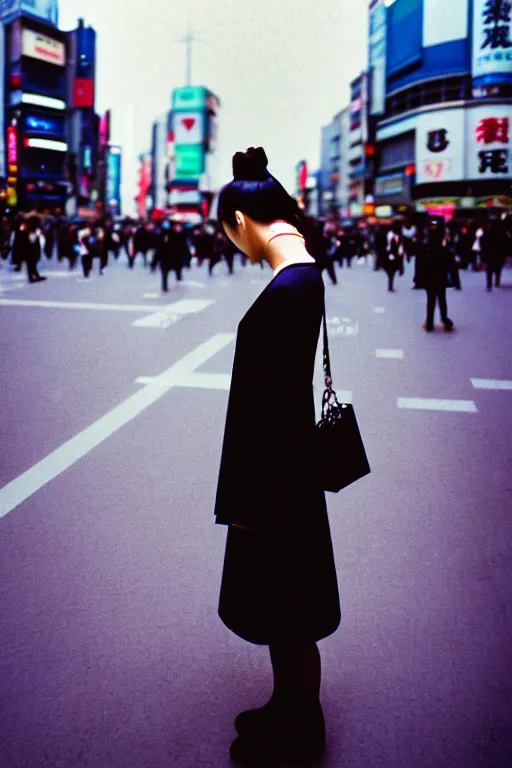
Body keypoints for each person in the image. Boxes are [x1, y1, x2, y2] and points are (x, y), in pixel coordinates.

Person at [214, 146, 340, 765]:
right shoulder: (303, 272)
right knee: (288, 600)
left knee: (284, 603)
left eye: (229, 234)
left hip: (274, 480)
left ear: (241, 221)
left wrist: (244, 501)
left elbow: (262, 411)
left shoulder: (288, 286)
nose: (236, 248)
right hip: (289, 474)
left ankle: (298, 727)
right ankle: (289, 707)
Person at [422, 222, 455, 332]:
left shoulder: (427, 248)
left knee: (431, 300)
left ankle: (429, 322)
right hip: (441, 276)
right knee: (442, 299)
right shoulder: (443, 249)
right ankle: (445, 320)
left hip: (430, 277)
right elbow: (450, 263)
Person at [480, 219, 509, 292]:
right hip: (499, 253)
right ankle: (497, 281)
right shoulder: (502, 232)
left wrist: (483, 251)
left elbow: (482, 241)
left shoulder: (488, 231)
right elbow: (507, 242)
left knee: (489, 269)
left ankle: (489, 285)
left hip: (489, 253)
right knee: (498, 268)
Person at [26, 216, 47, 283]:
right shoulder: (33, 230)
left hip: (32, 250)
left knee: (32, 264)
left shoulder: (32, 229)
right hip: (32, 251)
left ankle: (34, 275)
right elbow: (32, 240)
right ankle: (33, 276)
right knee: (31, 264)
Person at [384, 222, 404, 292]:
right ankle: (390, 286)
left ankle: (390, 286)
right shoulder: (391, 236)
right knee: (391, 272)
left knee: (392, 272)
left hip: (394, 256)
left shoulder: (396, 236)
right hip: (392, 256)